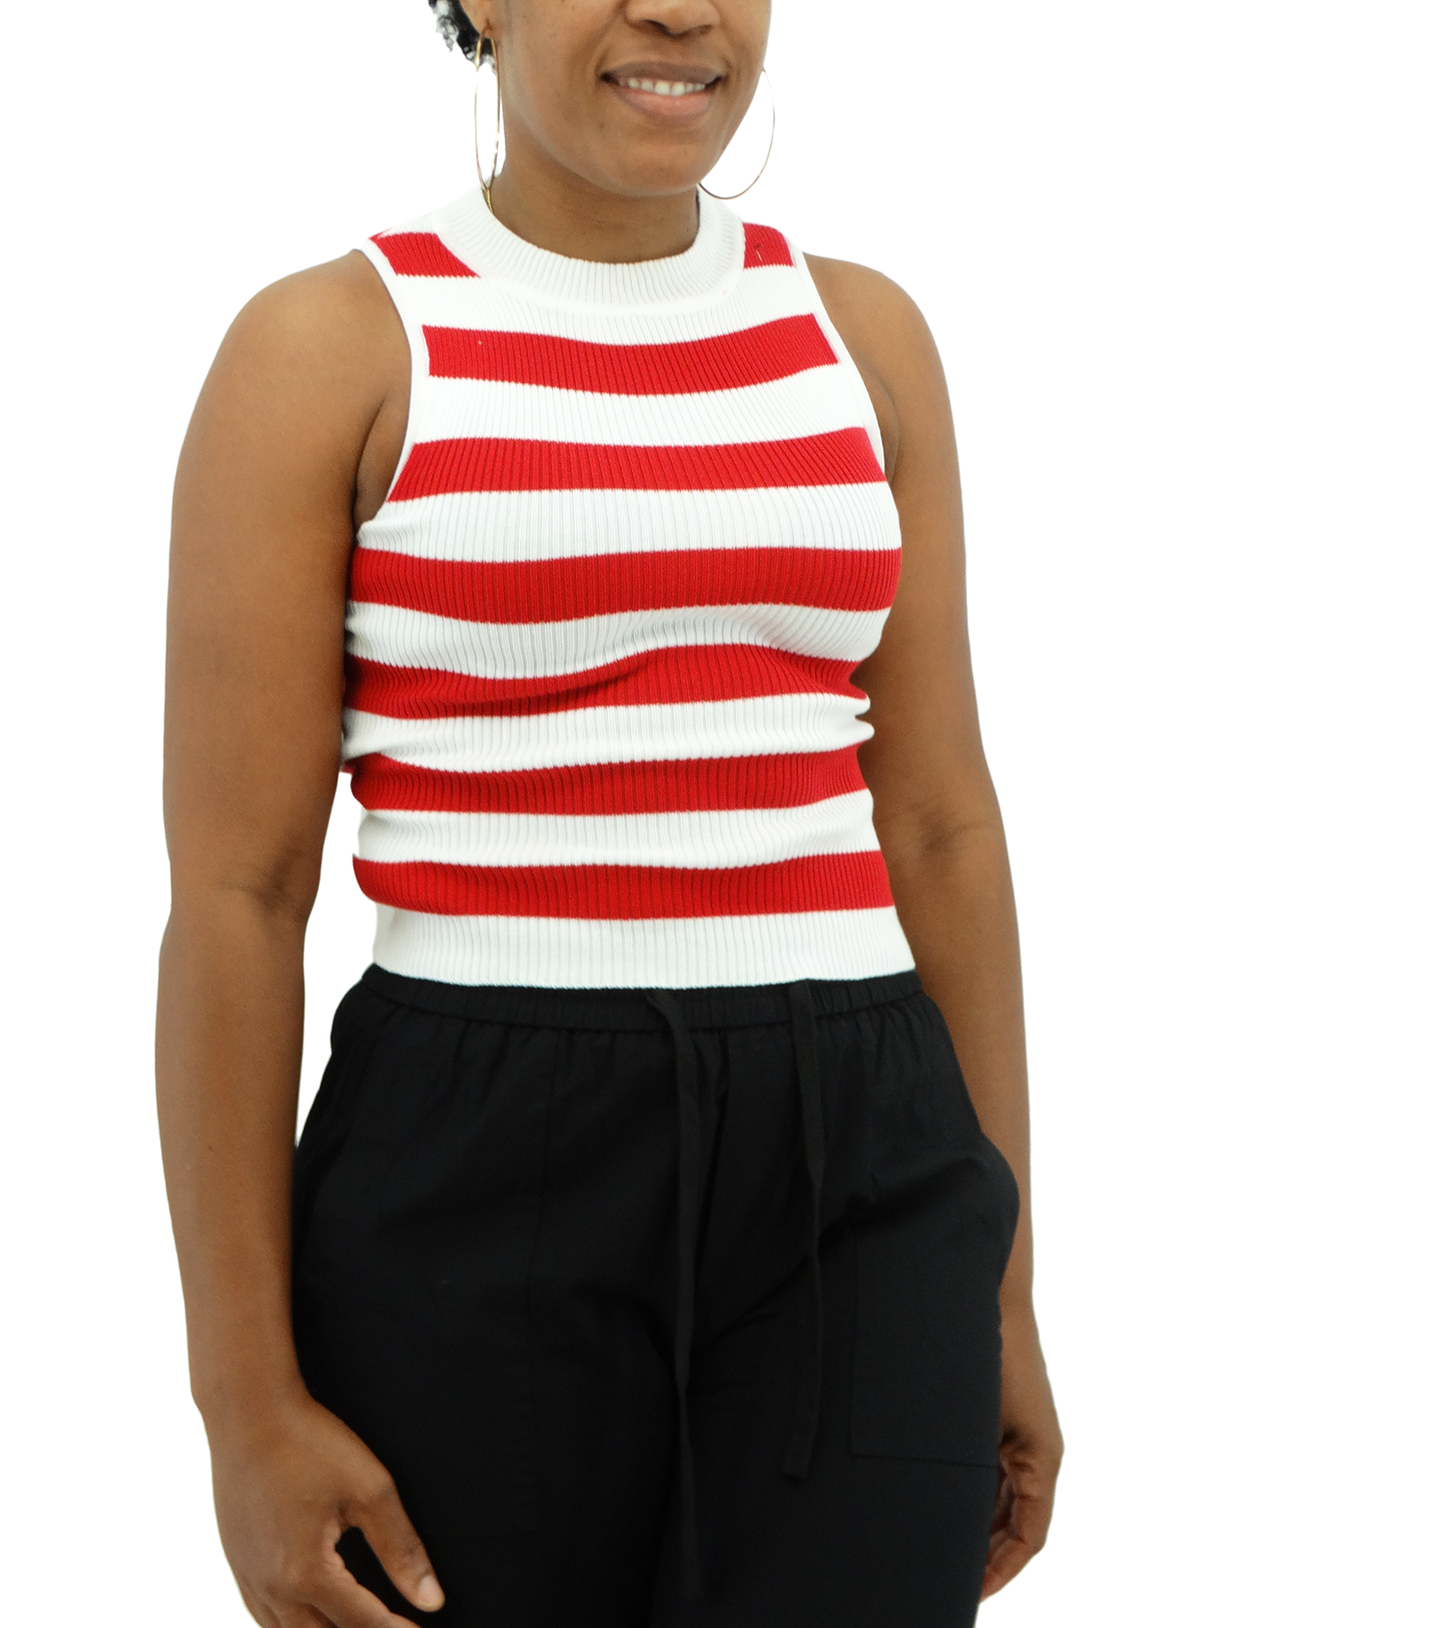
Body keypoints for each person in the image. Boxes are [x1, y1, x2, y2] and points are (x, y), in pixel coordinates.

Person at [156, 0, 1063, 1623]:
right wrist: (242, 1402)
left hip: (864, 1162)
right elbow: (240, 893)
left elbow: (939, 824)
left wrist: (1003, 1286)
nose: (680, 8)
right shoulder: (333, 349)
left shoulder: (860, 340)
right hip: (472, 1154)